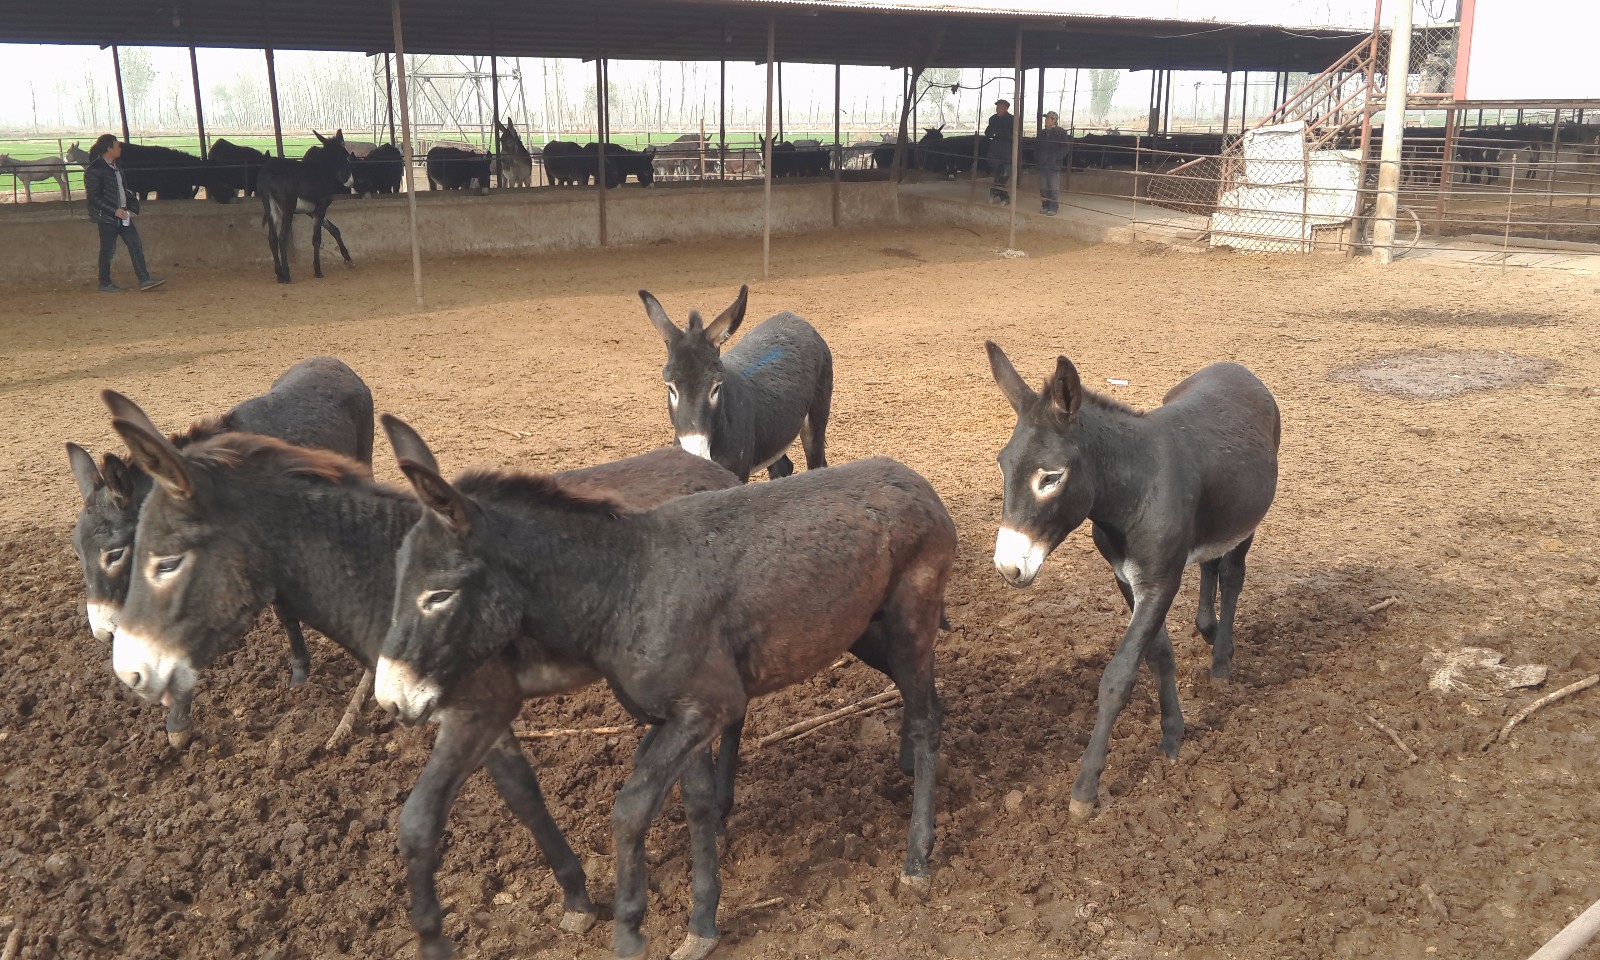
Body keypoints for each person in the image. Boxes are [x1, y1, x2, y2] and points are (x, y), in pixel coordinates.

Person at [85, 134, 165, 293]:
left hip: (122, 215)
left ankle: (144, 279)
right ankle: (104, 282)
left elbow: (120, 188)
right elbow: (93, 197)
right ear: (109, 148)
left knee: (135, 245)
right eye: (117, 146)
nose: (120, 148)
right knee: (108, 250)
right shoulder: (94, 170)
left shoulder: (116, 166)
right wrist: (114, 210)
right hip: (108, 217)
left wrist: (128, 202)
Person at [1034, 110, 1071, 216]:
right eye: (1046, 118)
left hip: (1054, 165)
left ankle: (1053, 206)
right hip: (1042, 164)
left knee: (1053, 186)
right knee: (1043, 187)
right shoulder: (1042, 133)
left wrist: (1055, 157)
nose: (1045, 120)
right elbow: (1036, 147)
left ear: (1054, 120)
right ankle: (1045, 204)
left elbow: (1065, 148)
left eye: (1047, 118)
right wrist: (1038, 157)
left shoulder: (1060, 133)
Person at [983, 98, 1016, 204]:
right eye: (997, 107)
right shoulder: (993, 119)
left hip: (1007, 150)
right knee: (997, 174)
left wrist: (998, 134)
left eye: (1000, 107)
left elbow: (1013, 134)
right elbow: (987, 132)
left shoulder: (1012, 119)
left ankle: (994, 191)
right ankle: (1004, 197)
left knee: (1005, 174)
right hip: (995, 150)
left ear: (1006, 109)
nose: (997, 109)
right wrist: (992, 134)